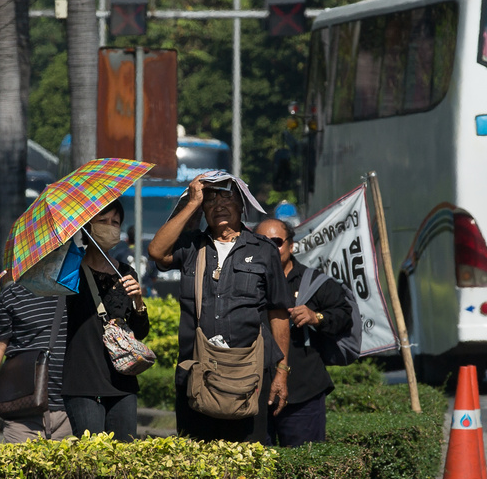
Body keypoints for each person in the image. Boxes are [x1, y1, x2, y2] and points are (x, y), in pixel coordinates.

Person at [149, 174, 292, 442]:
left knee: (247, 460)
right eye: (211, 200)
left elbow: (279, 313)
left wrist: (282, 372)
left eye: (227, 198)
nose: (219, 205)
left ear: (242, 206)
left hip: (248, 375)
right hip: (196, 371)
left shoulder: (263, 251)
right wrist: (192, 203)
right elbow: (157, 251)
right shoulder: (191, 245)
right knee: (197, 461)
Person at [254, 217, 353, 448]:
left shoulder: (315, 282)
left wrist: (316, 317)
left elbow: (344, 316)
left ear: (291, 245)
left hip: (303, 393)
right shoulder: (244, 282)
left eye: (276, 242)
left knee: (304, 467)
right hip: (254, 393)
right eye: (261, 242)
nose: (269, 249)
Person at [63, 201, 149, 440]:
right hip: (82, 380)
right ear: (88, 226)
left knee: (123, 458)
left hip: (122, 381)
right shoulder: (70, 272)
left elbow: (140, 332)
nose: (110, 227)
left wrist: (138, 301)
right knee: (92, 457)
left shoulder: (126, 272)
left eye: (115, 222)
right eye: (103, 221)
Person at [0, 280, 72, 441]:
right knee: (19, 466)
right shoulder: (10, 295)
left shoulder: (77, 291)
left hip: (71, 409)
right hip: (23, 410)